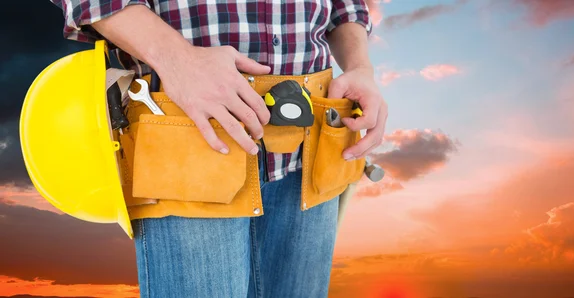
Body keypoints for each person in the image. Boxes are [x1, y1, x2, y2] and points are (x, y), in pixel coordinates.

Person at [50, 0, 387, 297]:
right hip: (189, 142)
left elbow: (347, 5)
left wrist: (360, 66)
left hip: (312, 151)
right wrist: (178, 60)